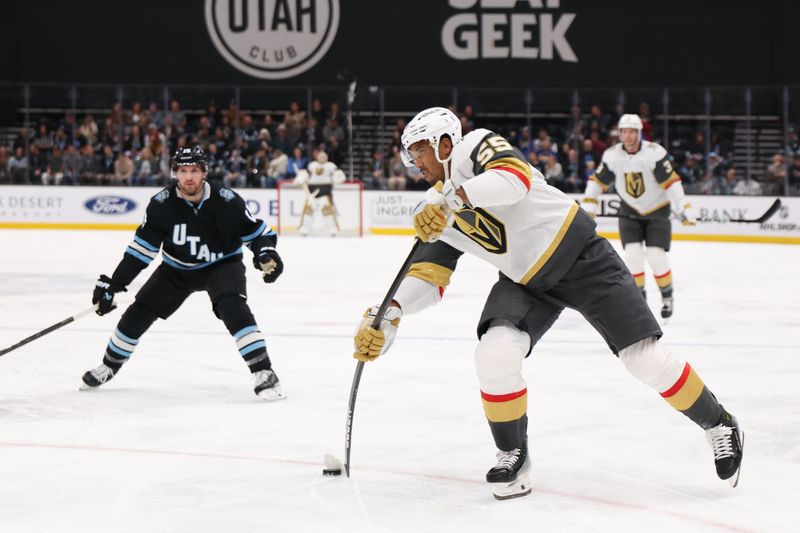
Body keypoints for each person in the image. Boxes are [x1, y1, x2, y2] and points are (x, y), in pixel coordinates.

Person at [352, 107, 743, 500]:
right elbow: (428, 277)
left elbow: (515, 179)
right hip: (526, 281)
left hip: (582, 256)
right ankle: (513, 453)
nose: (414, 162)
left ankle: (719, 423)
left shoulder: (474, 147)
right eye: (410, 154)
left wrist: (454, 198)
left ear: (445, 142)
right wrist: (389, 314)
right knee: (494, 354)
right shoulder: (433, 209)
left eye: (419, 150)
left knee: (645, 359)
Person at [81, 146, 286, 400]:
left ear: (204, 173)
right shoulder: (161, 205)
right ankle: (109, 366)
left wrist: (266, 253)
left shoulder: (227, 201)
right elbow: (140, 251)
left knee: (232, 308)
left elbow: (259, 235)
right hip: (176, 269)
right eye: (183, 171)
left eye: (195, 171)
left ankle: (264, 371)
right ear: (175, 173)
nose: (189, 177)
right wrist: (114, 284)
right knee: (137, 314)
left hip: (222, 265)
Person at [581, 114, 696, 321]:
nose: (627, 136)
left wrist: (683, 205)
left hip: (657, 210)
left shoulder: (655, 153)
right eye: (624, 131)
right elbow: (597, 180)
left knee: (656, 255)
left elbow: (671, 182)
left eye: (632, 131)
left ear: (639, 133)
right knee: (633, 257)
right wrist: (589, 201)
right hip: (629, 211)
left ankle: (667, 297)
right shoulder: (612, 155)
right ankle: (639, 301)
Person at [294, 151, 345, 236]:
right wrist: (300, 178)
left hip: (325, 192)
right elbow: (305, 174)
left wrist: (339, 177)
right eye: (320, 156)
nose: (321, 158)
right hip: (312, 193)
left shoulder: (331, 166)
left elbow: (338, 175)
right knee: (308, 211)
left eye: (323, 156)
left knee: (328, 211)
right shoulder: (312, 165)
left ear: (327, 157)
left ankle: (333, 230)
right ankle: (304, 229)